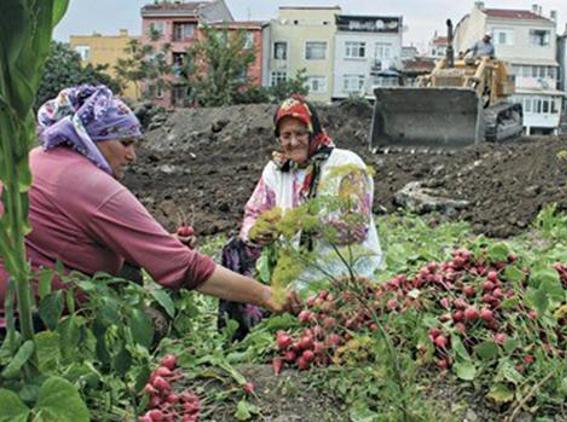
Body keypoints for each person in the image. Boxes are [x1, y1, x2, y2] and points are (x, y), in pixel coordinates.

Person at [0, 85, 298, 333]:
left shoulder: (38, 158)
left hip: (19, 293)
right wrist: (267, 295)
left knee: (129, 267)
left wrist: (159, 241)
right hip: (24, 318)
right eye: (125, 142)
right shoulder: (91, 185)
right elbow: (185, 267)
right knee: (149, 326)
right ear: (92, 138)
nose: (132, 155)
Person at [219, 95, 382, 338]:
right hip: (295, 276)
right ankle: (239, 334)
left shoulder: (347, 165)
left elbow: (356, 227)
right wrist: (256, 231)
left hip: (343, 273)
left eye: (300, 133)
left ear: (314, 131)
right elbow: (253, 212)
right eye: (286, 136)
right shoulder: (276, 170)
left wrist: (309, 224)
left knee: (331, 330)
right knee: (234, 250)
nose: (293, 142)